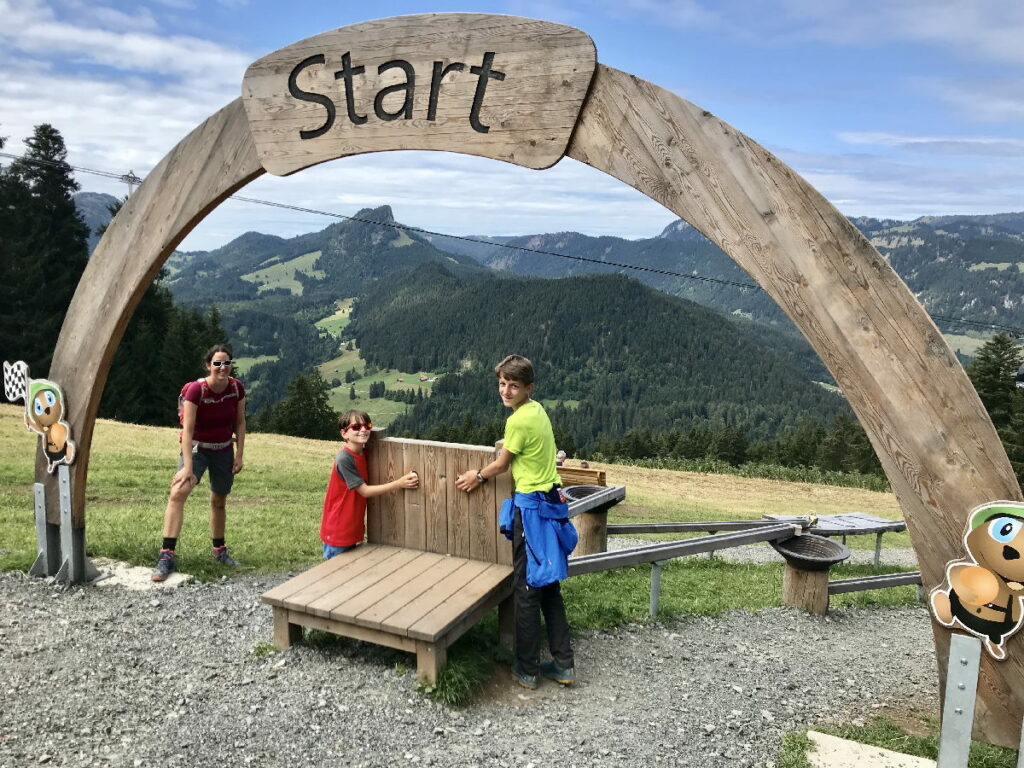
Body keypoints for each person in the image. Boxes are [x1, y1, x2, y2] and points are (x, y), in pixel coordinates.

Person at [455, 355, 577, 690]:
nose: (506, 391)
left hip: (533, 510)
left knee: (526, 588)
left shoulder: (518, 421)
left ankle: (526, 669)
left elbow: (502, 464)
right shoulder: (536, 410)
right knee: (548, 584)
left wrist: (476, 475)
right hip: (551, 504)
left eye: (514, 385)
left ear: (528, 387)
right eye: (502, 384)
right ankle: (564, 664)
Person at [152, 345, 246, 582]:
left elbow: (241, 423)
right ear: (208, 365)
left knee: (219, 500)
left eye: (226, 362)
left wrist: (240, 455)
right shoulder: (197, 390)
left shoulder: (236, 388)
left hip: (224, 449)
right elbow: (188, 430)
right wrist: (187, 466)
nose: (222, 367)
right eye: (217, 363)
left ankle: (219, 551)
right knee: (178, 492)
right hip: (197, 449)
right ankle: (166, 555)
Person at [321, 409, 419, 558]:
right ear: (344, 434)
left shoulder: (363, 453)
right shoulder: (344, 459)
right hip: (338, 530)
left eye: (367, 426)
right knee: (339, 576)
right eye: (356, 427)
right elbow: (364, 491)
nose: (363, 430)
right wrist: (399, 483)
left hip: (350, 527)